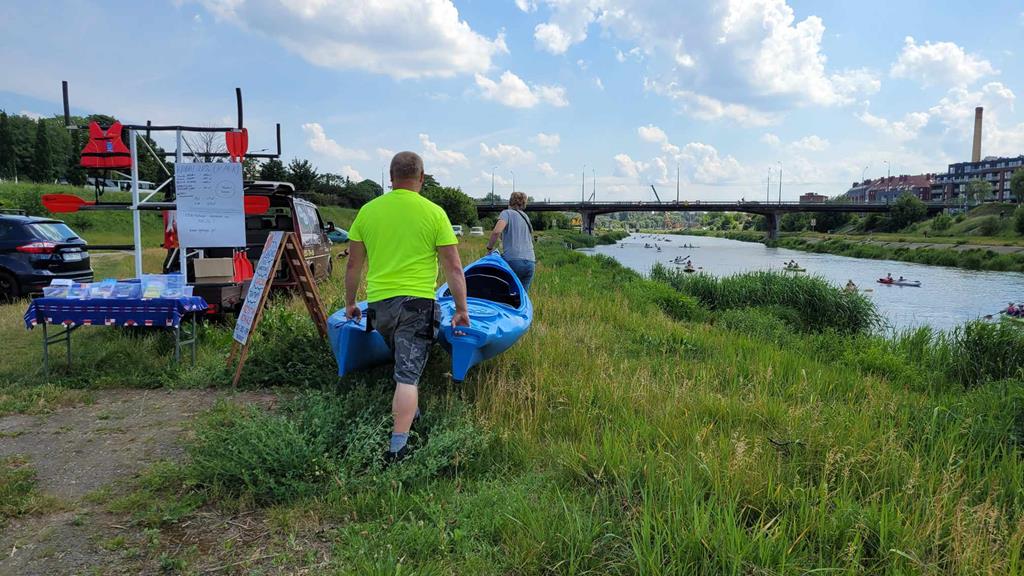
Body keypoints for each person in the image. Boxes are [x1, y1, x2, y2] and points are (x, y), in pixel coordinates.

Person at [345, 151, 471, 464]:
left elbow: (353, 265)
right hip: (417, 305)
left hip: (380, 306)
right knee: (407, 376)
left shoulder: (368, 212)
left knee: (404, 363)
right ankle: (397, 450)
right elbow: (454, 268)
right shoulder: (434, 212)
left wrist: (350, 302)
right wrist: (461, 308)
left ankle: (410, 411)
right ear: (422, 177)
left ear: (391, 178)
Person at [486, 191, 537, 291]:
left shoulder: (506, 213)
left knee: (505, 295)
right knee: (521, 298)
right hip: (530, 262)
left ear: (510, 201)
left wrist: (489, 248)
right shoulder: (526, 217)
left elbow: (496, 232)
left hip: (513, 260)